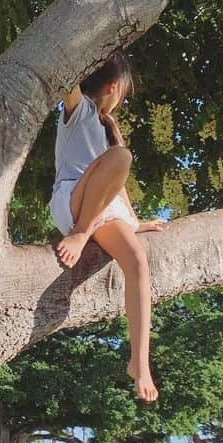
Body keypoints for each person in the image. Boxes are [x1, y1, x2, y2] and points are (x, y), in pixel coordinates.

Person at [50, 53, 166, 401]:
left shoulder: (107, 128)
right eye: (124, 94)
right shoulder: (80, 109)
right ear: (114, 88)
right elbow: (62, 75)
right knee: (122, 158)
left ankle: (139, 362)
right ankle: (81, 233)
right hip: (73, 200)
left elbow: (117, 187)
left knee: (137, 262)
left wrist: (135, 222)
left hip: (104, 206)